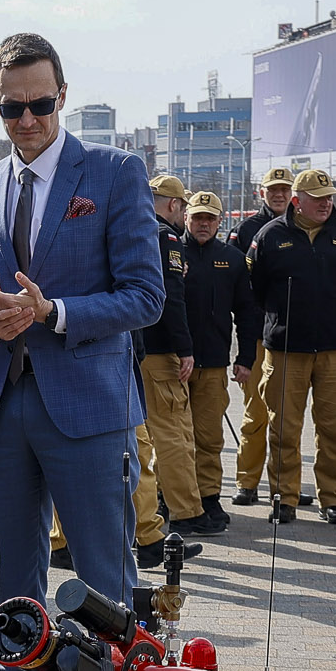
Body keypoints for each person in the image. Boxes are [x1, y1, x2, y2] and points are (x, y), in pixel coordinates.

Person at [0, 33, 165, 671]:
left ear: (63, 96)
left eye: (40, 104)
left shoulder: (114, 173)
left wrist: (54, 313)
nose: (28, 120)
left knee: (106, 580)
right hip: (2, 411)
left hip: (89, 410)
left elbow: (144, 296)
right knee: (15, 582)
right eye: (12, 108)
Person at [248, 168, 336, 526]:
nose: (327, 203)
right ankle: (283, 498)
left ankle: (332, 499)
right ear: (298, 201)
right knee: (283, 426)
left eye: (330, 197)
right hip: (286, 348)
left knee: (335, 428)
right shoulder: (269, 236)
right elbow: (255, 286)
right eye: (319, 198)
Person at [133, 175, 211, 541]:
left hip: (135, 347)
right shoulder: (166, 238)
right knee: (173, 433)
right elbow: (171, 299)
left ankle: (161, 506)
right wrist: (186, 348)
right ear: (174, 205)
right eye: (183, 207)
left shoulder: (130, 229)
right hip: (161, 350)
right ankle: (186, 511)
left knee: (146, 434)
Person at [181, 190, 258, 534]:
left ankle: (209, 497)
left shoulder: (233, 258)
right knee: (172, 439)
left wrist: (245, 359)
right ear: (186, 217)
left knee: (209, 437)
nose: (203, 224)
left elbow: (247, 312)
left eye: (210, 218)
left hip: (212, 364)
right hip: (171, 363)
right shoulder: (169, 252)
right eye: (198, 217)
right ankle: (173, 497)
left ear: (219, 221)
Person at [228, 167, 294, 505]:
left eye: (285, 189)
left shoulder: (305, 227)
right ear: (261, 193)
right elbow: (236, 289)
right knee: (255, 413)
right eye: (273, 190)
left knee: (286, 418)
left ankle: (284, 489)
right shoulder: (245, 231)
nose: (279, 195)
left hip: (290, 339)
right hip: (257, 336)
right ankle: (247, 482)